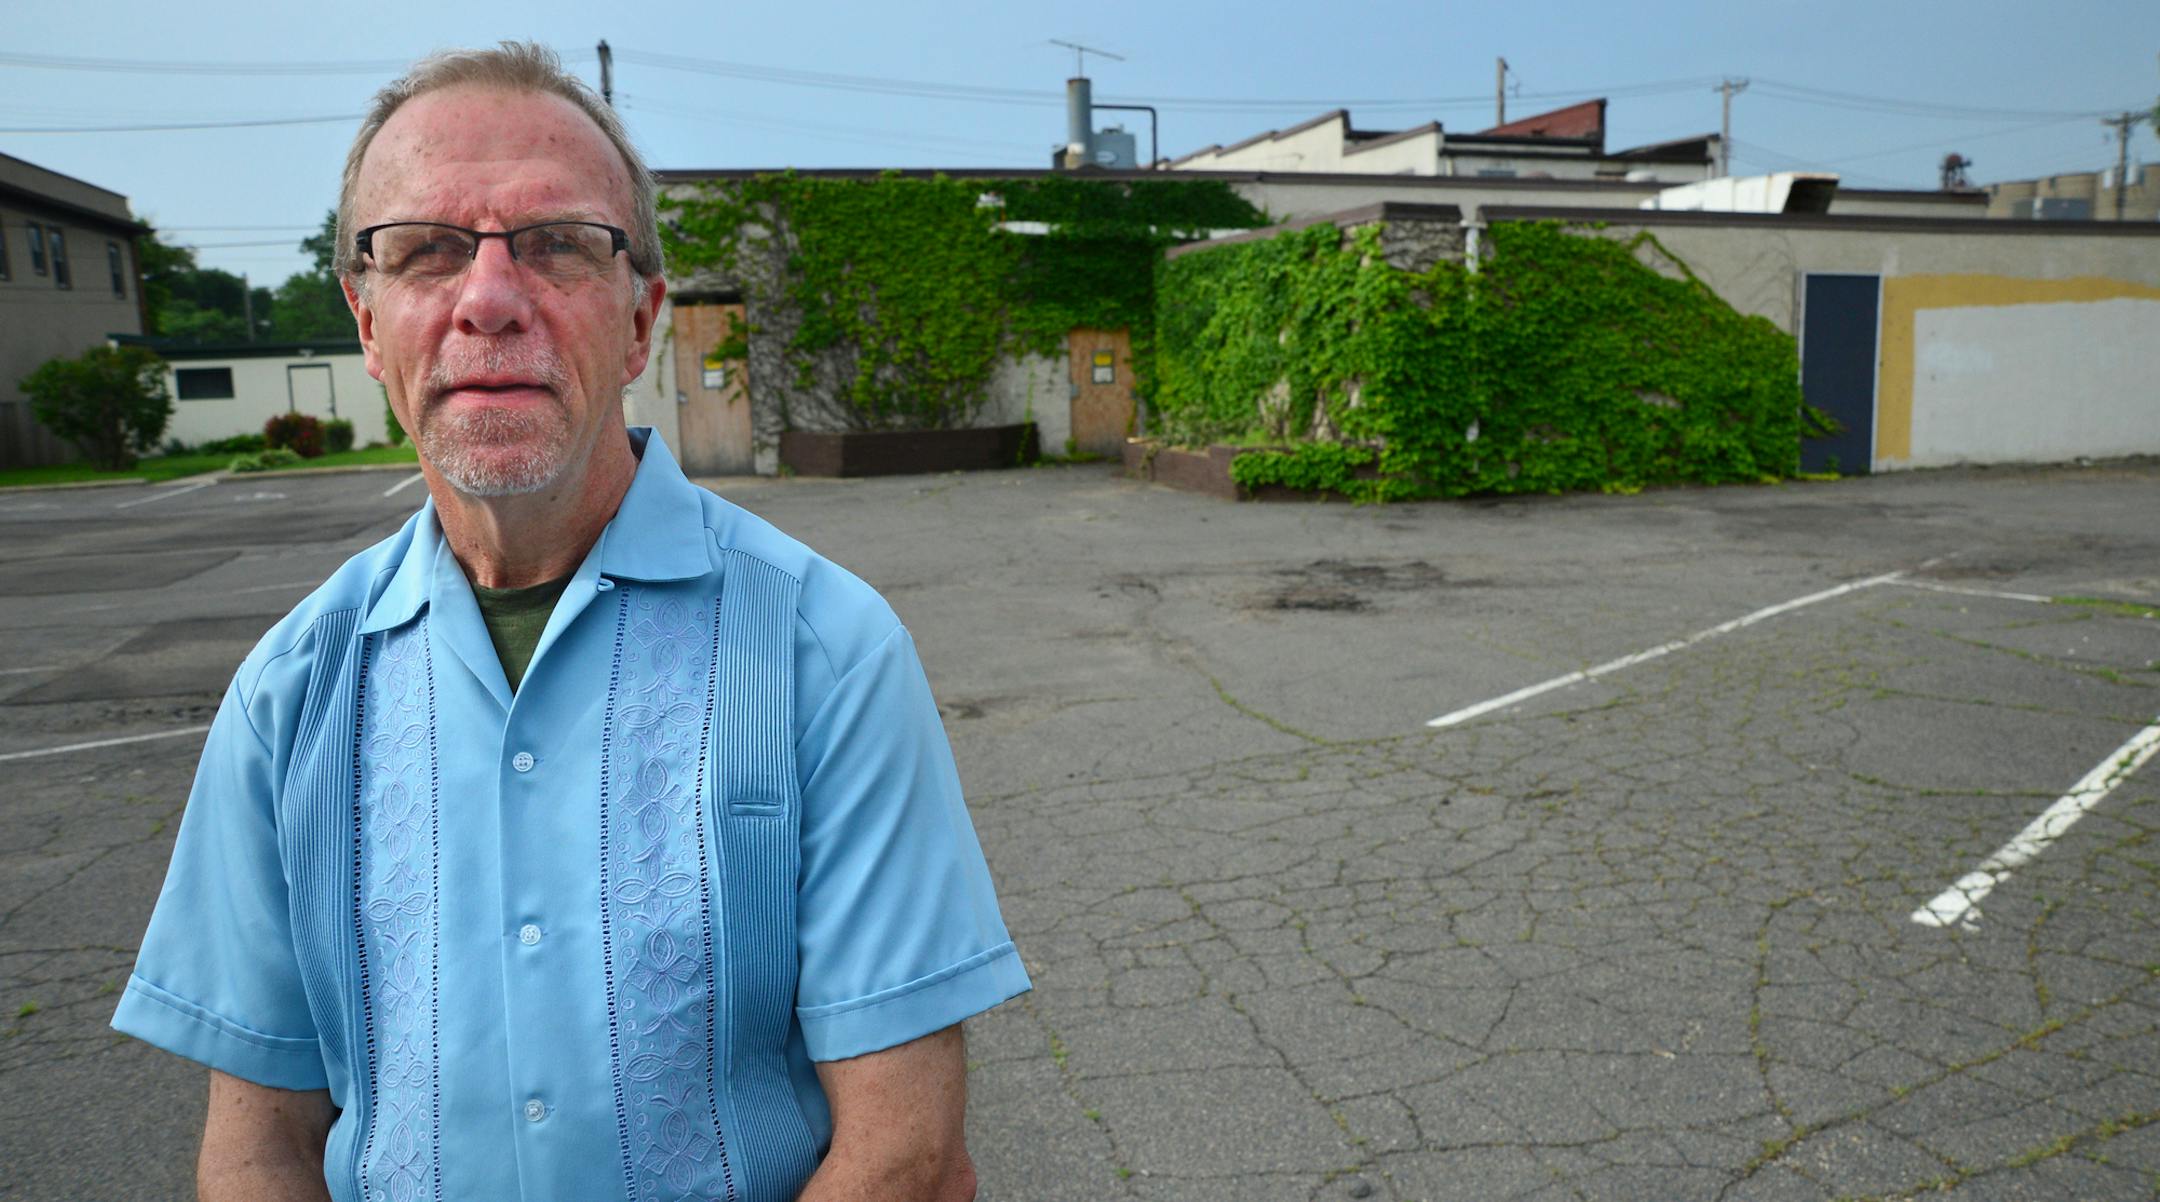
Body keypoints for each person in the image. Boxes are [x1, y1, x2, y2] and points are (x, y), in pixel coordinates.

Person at [112, 42, 1028, 1202]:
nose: (489, 300)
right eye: (427, 249)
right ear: (367, 320)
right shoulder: (290, 691)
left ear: (641, 321)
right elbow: (260, 1149)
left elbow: (907, 1157)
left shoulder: (826, 651)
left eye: (555, 245)